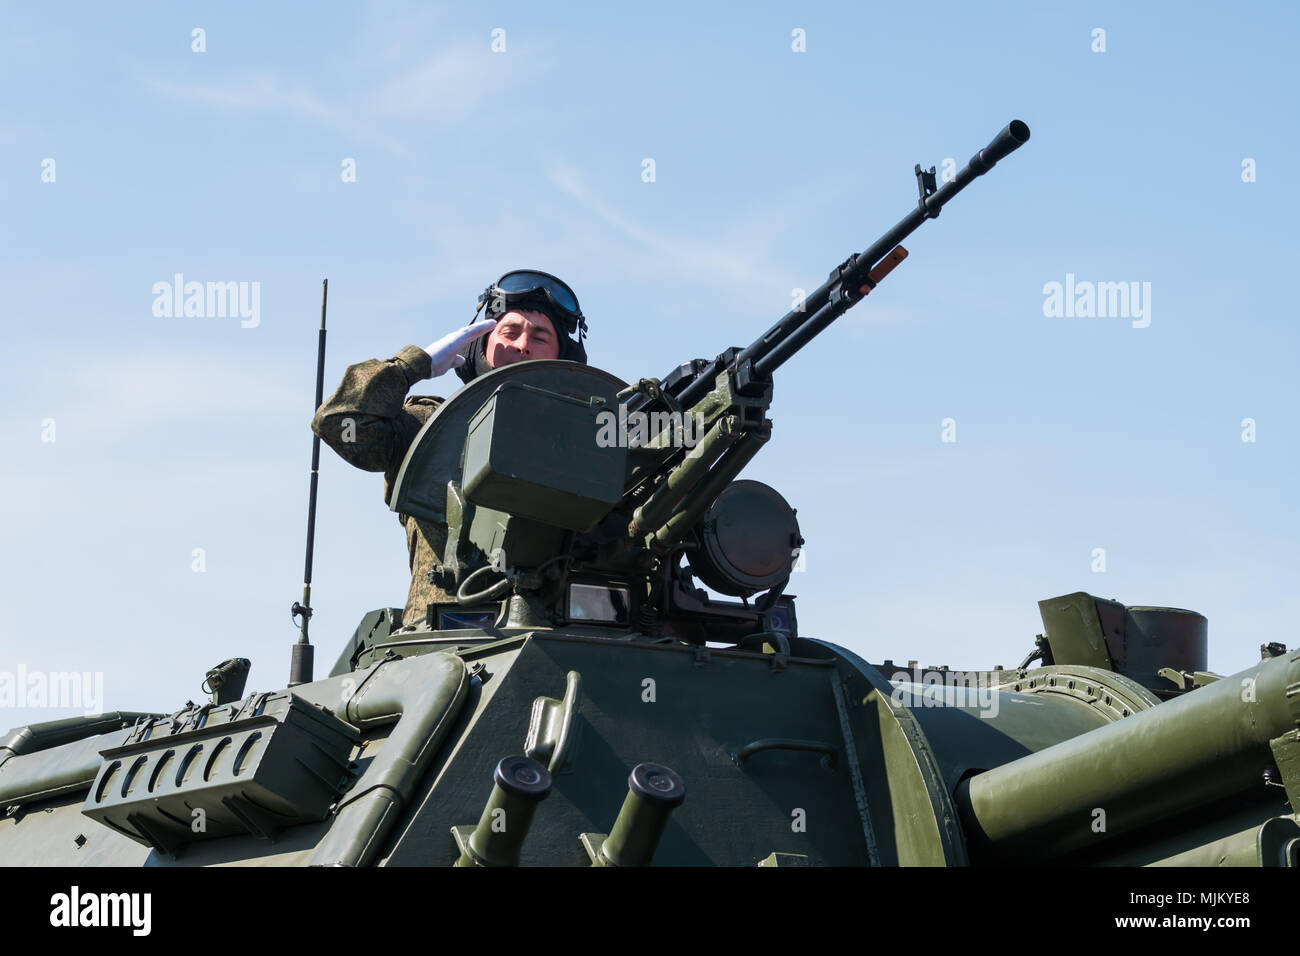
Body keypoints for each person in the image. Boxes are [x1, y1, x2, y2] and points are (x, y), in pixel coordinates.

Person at [311, 270, 589, 628]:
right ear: (481, 344)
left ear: (561, 356)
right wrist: (410, 367)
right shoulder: (429, 425)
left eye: (540, 336)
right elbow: (338, 422)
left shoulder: (583, 444)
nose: (523, 345)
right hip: (442, 643)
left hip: (558, 639)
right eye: (511, 332)